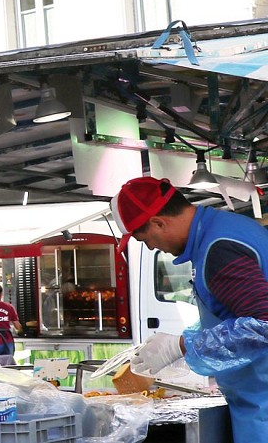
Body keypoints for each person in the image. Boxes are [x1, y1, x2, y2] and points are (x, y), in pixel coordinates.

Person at [112, 176, 268, 443]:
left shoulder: (219, 249)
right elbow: (231, 310)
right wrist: (180, 339)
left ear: (158, 222)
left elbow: (263, 324)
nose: (151, 247)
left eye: (145, 239)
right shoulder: (225, 228)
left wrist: (183, 345)